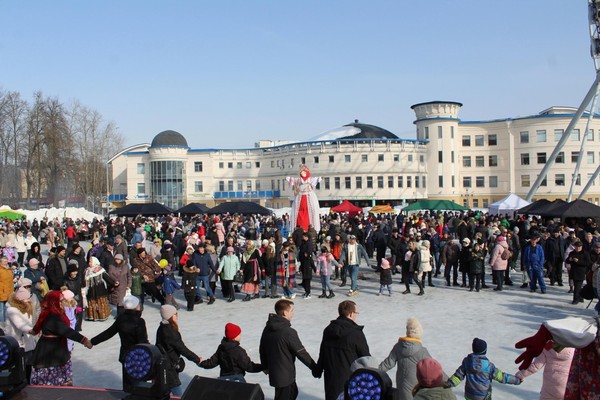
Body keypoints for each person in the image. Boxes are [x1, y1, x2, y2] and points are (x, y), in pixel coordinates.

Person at [30, 290, 93, 386]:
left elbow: (36, 328)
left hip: (56, 347)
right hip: (50, 352)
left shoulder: (52, 312)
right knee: (53, 383)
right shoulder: (52, 316)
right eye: (60, 301)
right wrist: (84, 340)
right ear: (53, 302)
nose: (62, 303)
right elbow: (66, 331)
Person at [259, 299, 318, 400]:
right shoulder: (288, 332)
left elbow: (262, 348)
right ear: (285, 313)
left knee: (292, 393)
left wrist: (265, 366)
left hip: (277, 374)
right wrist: (315, 368)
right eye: (292, 311)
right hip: (285, 376)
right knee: (287, 395)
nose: (293, 313)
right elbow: (301, 352)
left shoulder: (268, 327)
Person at [314, 300, 370, 400]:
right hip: (351, 380)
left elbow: (323, 352)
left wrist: (318, 369)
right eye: (356, 313)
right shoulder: (356, 333)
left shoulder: (328, 330)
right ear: (351, 314)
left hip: (331, 378)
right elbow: (365, 358)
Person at [447, 338, 521, 399]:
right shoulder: (489, 366)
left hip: (469, 395)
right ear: (484, 351)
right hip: (484, 396)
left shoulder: (467, 362)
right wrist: (516, 380)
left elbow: (458, 376)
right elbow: (502, 377)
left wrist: (449, 383)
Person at [379, 317, 433, 400]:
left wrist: (374, 371)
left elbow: (388, 364)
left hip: (401, 385)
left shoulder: (398, 347)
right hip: (415, 388)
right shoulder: (422, 351)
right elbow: (433, 368)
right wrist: (447, 381)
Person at [155, 304, 202, 396]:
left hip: (165, 365)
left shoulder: (161, 328)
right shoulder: (170, 332)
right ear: (170, 316)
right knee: (178, 394)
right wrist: (197, 359)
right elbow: (182, 349)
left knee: (166, 392)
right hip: (169, 368)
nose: (177, 316)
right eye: (175, 314)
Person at [90, 295, 149, 363]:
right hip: (138, 356)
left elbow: (108, 333)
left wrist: (92, 341)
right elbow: (142, 341)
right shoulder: (139, 321)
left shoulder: (121, 319)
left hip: (125, 355)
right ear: (135, 307)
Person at [5, 286, 39, 382]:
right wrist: (32, 330)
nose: (29, 300)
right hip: (17, 343)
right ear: (20, 299)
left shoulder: (26, 307)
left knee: (28, 365)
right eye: (27, 298)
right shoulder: (12, 310)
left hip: (28, 341)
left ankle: (28, 383)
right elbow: (20, 324)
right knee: (19, 367)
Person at [286, 164, 321, 233]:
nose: (303, 173)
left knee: (311, 210)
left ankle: (312, 227)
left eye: (304, 171)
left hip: (307, 196)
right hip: (301, 197)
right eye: (302, 171)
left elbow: (317, 179)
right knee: (300, 211)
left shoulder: (307, 180)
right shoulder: (299, 180)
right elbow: (290, 179)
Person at [82, 256, 115, 321]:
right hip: (90, 290)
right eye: (89, 261)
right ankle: (93, 316)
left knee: (100, 303)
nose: (89, 263)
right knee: (92, 303)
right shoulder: (87, 270)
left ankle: (102, 316)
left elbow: (107, 278)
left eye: (91, 261)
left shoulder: (100, 269)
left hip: (100, 290)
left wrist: (113, 283)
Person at [565, 239, 591, 305]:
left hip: (581, 272)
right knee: (577, 286)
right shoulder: (572, 253)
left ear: (581, 247)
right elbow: (567, 261)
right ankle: (581, 297)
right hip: (573, 271)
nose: (578, 248)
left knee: (577, 286)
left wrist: (578, 261)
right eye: (577, 247)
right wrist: (570, 259)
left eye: (579, 247)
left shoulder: (585, 253)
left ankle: (576, 299)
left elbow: (588, 263)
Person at [240, 237, 264, 302]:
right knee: (248, 280)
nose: (247, 246)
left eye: (249, 244)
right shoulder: (245, 252)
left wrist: (262, 268)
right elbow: (243, 261)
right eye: (247, 244)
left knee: (250, 280)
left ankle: (248, 295)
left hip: (253, 267)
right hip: (247, 267)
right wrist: (241, 268)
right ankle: (256, 293)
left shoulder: (255, 251)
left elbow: (259, 259)